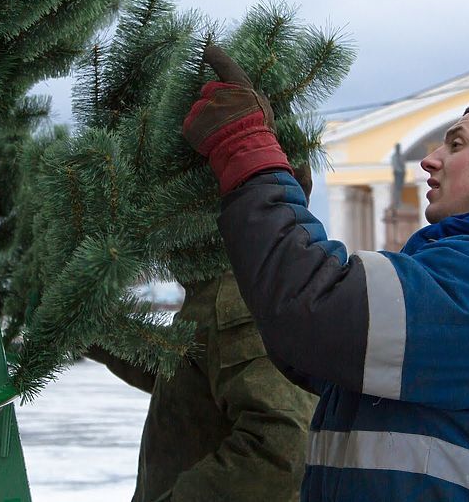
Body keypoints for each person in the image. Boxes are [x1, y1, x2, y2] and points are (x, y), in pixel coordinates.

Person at [182, 46, 469, 502]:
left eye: (457, 143)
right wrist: (280, 207)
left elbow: (315, 314)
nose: (430, 159)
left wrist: (248, 152)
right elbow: (318, 355)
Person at [85, 191, 318, 500]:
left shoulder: (238, 295)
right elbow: (188, 371)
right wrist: (86, 330)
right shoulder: (224, 286)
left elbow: (282, 448)